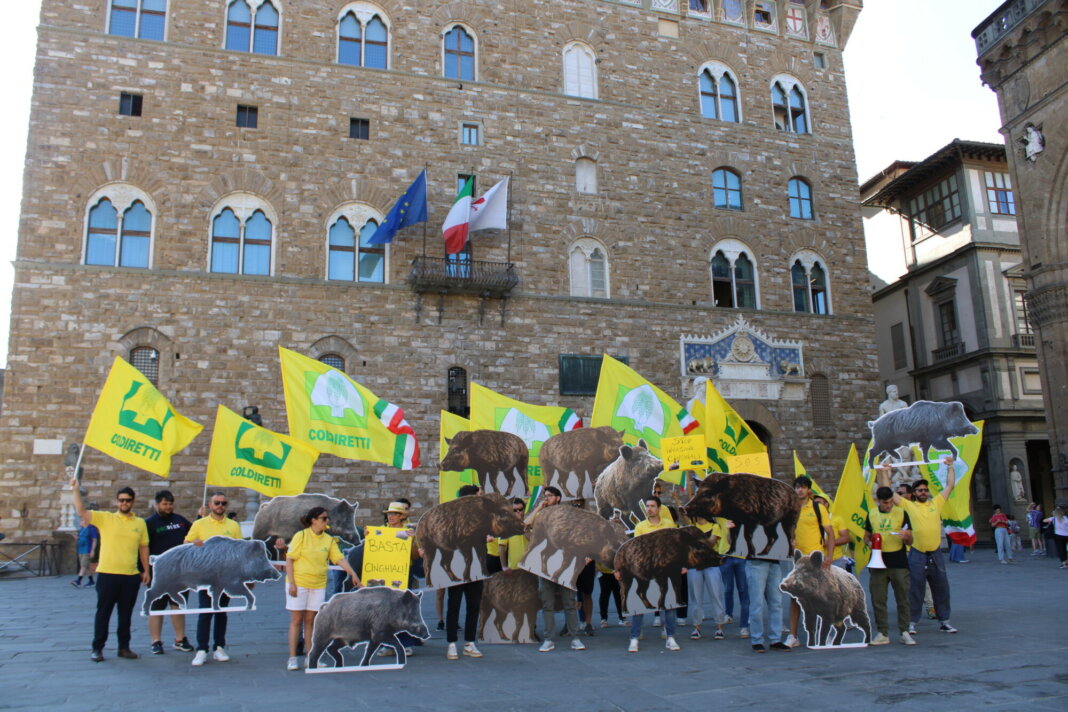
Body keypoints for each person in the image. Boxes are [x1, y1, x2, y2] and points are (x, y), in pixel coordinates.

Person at [69, 475, 150, 662]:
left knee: (125, 615)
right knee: (103, 612)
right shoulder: (105, 518)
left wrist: (146, 570)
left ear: (133, 502)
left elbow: (143, 547)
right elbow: (81, 512)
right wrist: (75, 489)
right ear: (117, 502)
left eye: (128, 500)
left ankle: (124, 647)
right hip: (107, 574)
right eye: (121, 500)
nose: (124, 503)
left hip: (130, 575)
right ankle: (97, 648)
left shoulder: (140, 523)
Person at [879, 457, 959, 634]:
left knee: (941, 587)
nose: (923, 492)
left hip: (935, 552)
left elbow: (950, 486)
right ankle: (911, 622)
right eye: (920, 490)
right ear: (914, 493)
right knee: (915, 588)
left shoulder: (936, 503)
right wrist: (885, 472)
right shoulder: (909, 505)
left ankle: (944, 620)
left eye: (925, 489)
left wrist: (950, 466)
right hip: (917, 552)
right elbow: (889, 493)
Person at [285, 506, 359, 671]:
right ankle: (292, 657)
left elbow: (338, 558)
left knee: (311, 620)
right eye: (324, 518)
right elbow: (290, 559)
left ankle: (311, 656)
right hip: (299, 582)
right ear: (314, 520)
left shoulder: (328, 539)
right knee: (297, 619)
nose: (327, 521)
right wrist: (292, 583)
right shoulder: (301, 536)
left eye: (327, 518)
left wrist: (353, 573)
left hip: (318, 584)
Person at [617, 496, 681, 653]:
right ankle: (634, 637)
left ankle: (670, 637)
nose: (649, 509)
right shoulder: (640, 526)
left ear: (659, 508)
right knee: (639, 604)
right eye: (647, 506)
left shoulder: (669, 524)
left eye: (652, 506)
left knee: (669, 604)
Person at [186, 491, 243, 666]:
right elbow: (186, 543)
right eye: (217, 503)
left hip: (225, 575)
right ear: (210, 505)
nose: (220, 506)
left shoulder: (233, 525)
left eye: (223, 503)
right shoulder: (200, 524)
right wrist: (194, 544)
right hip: (205, 575)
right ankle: (202, 648)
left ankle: (219, 646)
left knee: (221, 612)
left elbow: (239, 550)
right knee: (205, 611)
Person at [526, 486, 586, 653]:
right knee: (547, 603)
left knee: (569, 602)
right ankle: (548, 639)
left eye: (550, 496)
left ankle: (574, 637)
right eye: (545, 496)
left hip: (564, 563)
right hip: (545, 565)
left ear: (558, 498)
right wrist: (538, 507)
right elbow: (526, 524)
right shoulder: (541, 515)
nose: (547, 498)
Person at [784, 476, 835, 648]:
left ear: (808, 490)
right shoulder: (791, 509)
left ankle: (825, 634)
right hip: (798, 560)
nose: (800, 490)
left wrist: (829, 556)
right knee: (795, 597)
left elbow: (830, 533)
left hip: (816, 558)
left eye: (803, 487)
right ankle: (793, 636)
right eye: (797, 487)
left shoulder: (818, 508)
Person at [144, 490, 194, 655]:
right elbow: (142, 548)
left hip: (180, 573)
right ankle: (156, 641)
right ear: (157, 504)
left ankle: (180, 639)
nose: (168, 507)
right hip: (158, 573)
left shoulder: (180, 520)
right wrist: (144, 571)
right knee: (156, 607)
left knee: (178, 606)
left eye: (170, 504)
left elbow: (195, 534)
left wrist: (201, 519)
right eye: (165, 504)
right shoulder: (149, 523)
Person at [864, 486, 915, 646]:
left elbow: (910, 539)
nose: (889, 505)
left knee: (903, 597)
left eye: (891, 502)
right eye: (886, 503)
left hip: (898, 560)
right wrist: (870, 543)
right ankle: (882, 632)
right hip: (878, 561)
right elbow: (866, 537)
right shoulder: (871, 514)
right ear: (878, 501)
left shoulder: (901, 512)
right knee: (878, 598)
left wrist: (907, 537)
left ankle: (904, 631)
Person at [444, 485, 487, 660]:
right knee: (454, 605)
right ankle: (452, 643)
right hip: (457, 566)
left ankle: (470, 642)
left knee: (474, 605)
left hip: (476, 566)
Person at [686, 515, 726, 641]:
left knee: (716, 595)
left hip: (712, 564)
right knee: (696, 598)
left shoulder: (714, 526)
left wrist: (696, 540)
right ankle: (696, 627)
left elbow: (711, 543)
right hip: (694, 565)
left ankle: (719, 627)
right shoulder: (691, 528)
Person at [718, 523, 749, 639]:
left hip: (742, 555)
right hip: (725, 555)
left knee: (743, 589)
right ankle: (728, 614)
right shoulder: (721, 515)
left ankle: (745, 621)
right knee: (727, 588)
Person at [72, 512, 99, 589]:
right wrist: (76, 538)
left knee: (83, 566)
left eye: (82, 520)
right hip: (81, 550)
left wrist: (92, 551)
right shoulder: (82, 529)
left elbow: (94, 540)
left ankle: (78, 581)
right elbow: (80, 539)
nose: (80, 521)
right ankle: (91, 581)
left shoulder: (91, 528)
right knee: (86, 567)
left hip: (87, 550)